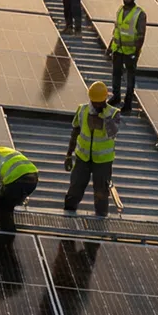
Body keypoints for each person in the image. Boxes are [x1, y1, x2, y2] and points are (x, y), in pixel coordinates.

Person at [64, 81, 121, 217]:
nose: (96, 105)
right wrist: (68, 155)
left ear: (105, 99)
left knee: (101, 194)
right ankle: (67, 216)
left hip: (103, 162)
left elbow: (113, 133)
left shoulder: (113, 113)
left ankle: (100, 222)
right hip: (82, 159)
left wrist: (104, 120)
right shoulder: (83, 110)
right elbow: (75, 132)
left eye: (99, 103)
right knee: (75, 190)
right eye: (94, 102)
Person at [108, 0, 147, 112]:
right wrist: (110, 47)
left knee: (130, 77)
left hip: (130, 51)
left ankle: (128, 102)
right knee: (116, 74)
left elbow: (141, 35)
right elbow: (116, 30)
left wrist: (136, 52)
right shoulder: (120, 10)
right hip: (118, 49)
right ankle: (116, 97)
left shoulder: (139, 14)